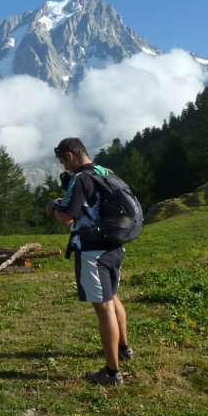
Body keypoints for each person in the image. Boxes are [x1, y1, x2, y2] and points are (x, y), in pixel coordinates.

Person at [46, 137, 133, 386]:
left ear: (71, 155)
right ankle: (124, 350)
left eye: (64, 161)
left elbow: (67, 218)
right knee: (113, 296)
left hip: (92, 251)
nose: (64, 167)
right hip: (114, 246)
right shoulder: (106, 172)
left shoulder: (80, 178)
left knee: (103, 307)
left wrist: (52, 207)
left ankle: (112, 373)